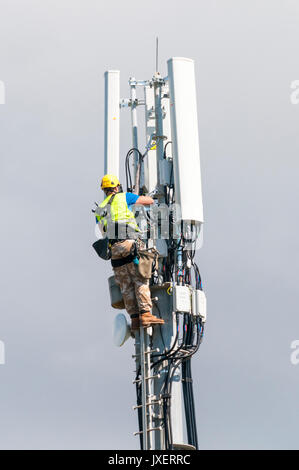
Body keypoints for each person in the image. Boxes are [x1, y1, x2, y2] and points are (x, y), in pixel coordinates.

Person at [96, 174, 164, 331]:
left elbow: (102, 231)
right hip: (128, 243)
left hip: (113, 250)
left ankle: (134, 320)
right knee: (140, 278)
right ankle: (146, 314)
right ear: (116, 187)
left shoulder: (99, 209)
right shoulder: (123, 197)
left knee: (126, 285)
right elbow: (149, 201)